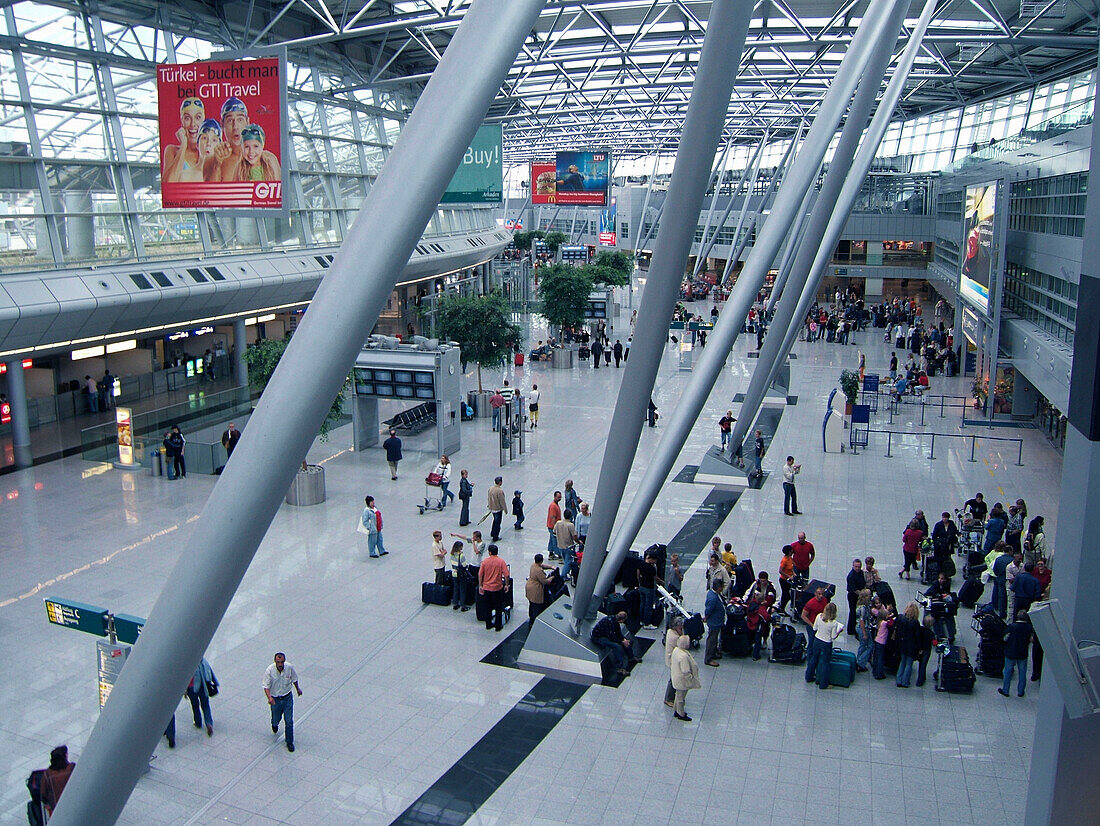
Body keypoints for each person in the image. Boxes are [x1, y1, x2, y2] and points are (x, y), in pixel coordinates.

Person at [263, 652, 302, 752]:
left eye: (282, 662)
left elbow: (294, 679)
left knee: (289, 721)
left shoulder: (289, 668)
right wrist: (269, 698)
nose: (280, 664)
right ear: (275, 662)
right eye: (278, 662)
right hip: (275, 699)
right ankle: (274, 724)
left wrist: (297, 689)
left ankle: (289, 742)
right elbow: (266, 687)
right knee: (276, 718)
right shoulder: (269, 671)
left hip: (287, 697)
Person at [162, 96, 205, 183]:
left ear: (203, 121)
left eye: (198, 118)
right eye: (187, 118)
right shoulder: (172, 151)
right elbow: (168, 184)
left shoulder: (208, 153)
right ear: (182, 121)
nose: (193, 124)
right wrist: (183, 147)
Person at [591, 611, 639, 677]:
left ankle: (631, 657)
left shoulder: (615, 621)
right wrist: (621, 642)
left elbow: (618, 632)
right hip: (598, 637)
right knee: (616, 646)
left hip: (606, 635)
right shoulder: (609, 622)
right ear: (621, 620)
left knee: (625, 641)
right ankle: (620, 668)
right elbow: (611, 637)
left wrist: (623, 639)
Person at [807, 603, 843, 689]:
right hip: (826, 643)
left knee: (814, 658)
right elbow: (833, 636)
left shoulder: (819, 616)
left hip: (817, 640)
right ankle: (823, 684)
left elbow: (814, 628)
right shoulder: (834, 623)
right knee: (825, 662)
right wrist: (839, 631)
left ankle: (808, 677)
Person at [477, 544, 510, 631]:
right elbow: (507, 574)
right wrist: (506, 585)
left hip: (487, 588)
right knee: (498, 607)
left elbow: (480, 574)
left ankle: (488, 624)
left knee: (487, 607)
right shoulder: (501, 561)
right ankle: (498, 626)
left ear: (489, 552)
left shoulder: (485, 562)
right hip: (497, 588)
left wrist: (480, 585)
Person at [1000, 610, 1032, 698]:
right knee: (1022, 672)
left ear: (1017, 616)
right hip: (1023, 653)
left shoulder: (1012, 626)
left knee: (1007, 671)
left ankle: (1006, 690)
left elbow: (1004, 637)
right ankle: (1020, 691)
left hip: (1011, 652)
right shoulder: (1029, 628)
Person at [670, 635, 701, 721]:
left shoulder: (676, 650)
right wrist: (690, 678)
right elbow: (685, 671)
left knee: (678, 695)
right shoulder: (683, 656)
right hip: (682, 680)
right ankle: (680, 713)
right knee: (681, 697)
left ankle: (676, 710)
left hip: (676, 676)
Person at [41, 745, 76, 816]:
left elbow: (43, 794)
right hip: (74, 804)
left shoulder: (48, 774)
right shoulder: (72, 768)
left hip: (57, 809)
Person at [187, 657, 218, 736]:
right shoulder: (203, 661)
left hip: (192, 688)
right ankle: (209, 723)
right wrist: (215, 683)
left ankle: (198, 722)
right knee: (205, 706)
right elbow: (210, 672)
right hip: (203, 687)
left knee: (195, 705)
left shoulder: (188, 664)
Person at [894, 603, 922, 688]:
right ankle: (905, 682)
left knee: (902, 662)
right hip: (911, 645)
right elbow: (917, 636)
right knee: (909, 664)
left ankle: (899, 680)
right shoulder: (915, 622)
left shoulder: (901, 618)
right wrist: (919, 647)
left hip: (902, 643)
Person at [871, 598, 895, 680]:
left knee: (876, 656)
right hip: (882, 642)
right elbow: (891, 623)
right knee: (880, 658)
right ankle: (879, 673)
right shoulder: (885, 623)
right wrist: (891, 615)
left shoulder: (880, 622)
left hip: (877, 640)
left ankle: (875, 671)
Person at [663, 616, 685, 708]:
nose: (682, 629)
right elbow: (684, 644)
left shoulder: (670, 631)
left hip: (672, 659)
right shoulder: (676, 637)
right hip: (674, 661)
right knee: (673, 680)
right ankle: (668, 698)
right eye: (680, 628)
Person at [703, 579, 725, 667]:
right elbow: (709, 610)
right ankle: (708, 659)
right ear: (718, 588)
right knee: (712, 640)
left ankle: (713, 653)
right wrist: (706, 617)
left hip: (717, 621)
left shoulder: (714, 594)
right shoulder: (713, 598)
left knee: (715, 639)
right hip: (714, 622)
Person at [554, 508, 580, 585]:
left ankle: (566, 574)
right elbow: (574, 536)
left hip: (560, 545)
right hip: (569, 546)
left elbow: (554, 532)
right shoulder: (570, 525)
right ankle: (563, 576)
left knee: (565, 560)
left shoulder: (558, 523)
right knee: (568, 562)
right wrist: (579, 542)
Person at [990, 542, 1015, 618]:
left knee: (1001, 596)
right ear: (1010, 551)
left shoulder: (998, 559)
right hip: (1008, 580)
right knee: (1008, 597)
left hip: (1000, 578)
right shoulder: (1012, 560)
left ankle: (1001, 612)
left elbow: (995, 569)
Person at [526, 553, 553, 623]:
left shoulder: (533, 565)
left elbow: (542, 566)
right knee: (536, 608)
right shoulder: (539, 571)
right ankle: (535, 621)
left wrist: (550, 567)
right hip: (535, 590)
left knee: (531, 605)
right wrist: (552, 578)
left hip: (529, 588)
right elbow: (544, 581)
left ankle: (531, 619)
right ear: (541, 560)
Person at [854, 589, 874, 673]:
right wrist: (865, 633)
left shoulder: (861, 606)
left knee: (862, 645)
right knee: (870, 645)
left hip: (859, 627)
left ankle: (858, 661)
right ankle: (860, 662)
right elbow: (862, 620)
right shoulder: (863, 608)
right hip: (863, 628)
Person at [449, 541, 470, 611]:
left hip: (454, 573)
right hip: (461, 574)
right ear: (460, 547)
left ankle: (455, 604)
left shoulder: (451, 554)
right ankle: (463, 606)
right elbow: (464, 565)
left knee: (455, 589)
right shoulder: (461, 555)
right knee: (462, 590)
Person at [916, 615, 936, 687]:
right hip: (927, 650)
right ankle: (920, 680)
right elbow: (934, 643)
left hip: (920, 648)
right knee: (923, 665)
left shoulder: (920, 629)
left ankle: (922, 677)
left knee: (921, 663)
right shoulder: (931, 633)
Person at [846, 559, 864, 635]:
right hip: (853, 596)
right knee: (853, 612)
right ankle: (850, 629)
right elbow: (854, 590)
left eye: (859, 567)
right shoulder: (851, 576)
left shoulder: (861, 573)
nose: (857, 568)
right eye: (856, 566)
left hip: (859, 594)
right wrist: (863, 595)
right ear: (853, 566)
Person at [487, 476, 506, 542]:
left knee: (495, 520)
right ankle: (495, 536)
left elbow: (489, 498)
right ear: (500, 482)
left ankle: (492, 532)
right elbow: (502, 501)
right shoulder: (500, 491)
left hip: (492, 507)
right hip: (498, 508)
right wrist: (505, 509)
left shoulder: (491, 488)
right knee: (498, 523)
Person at [778, 545, 795, 614]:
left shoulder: (790, 558)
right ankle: (782, 608)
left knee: (788, 593)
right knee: (786, 594)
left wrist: (793, 573)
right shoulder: (784, 560)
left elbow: (791, 567)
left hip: (789, 579)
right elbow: (780, 571)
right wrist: (789, 576)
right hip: (784, 580)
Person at [546, 490, 563, 560]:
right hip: (553, 526)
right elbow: (553, 517)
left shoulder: (555, 504)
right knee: (555, 540)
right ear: (554, 497)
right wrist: (554, 528)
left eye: (560, 497)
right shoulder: (553, 506)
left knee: (551, 539)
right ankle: (559, 554)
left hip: (552, 525)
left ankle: (551, 553)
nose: (559, 499)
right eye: (558, 497)